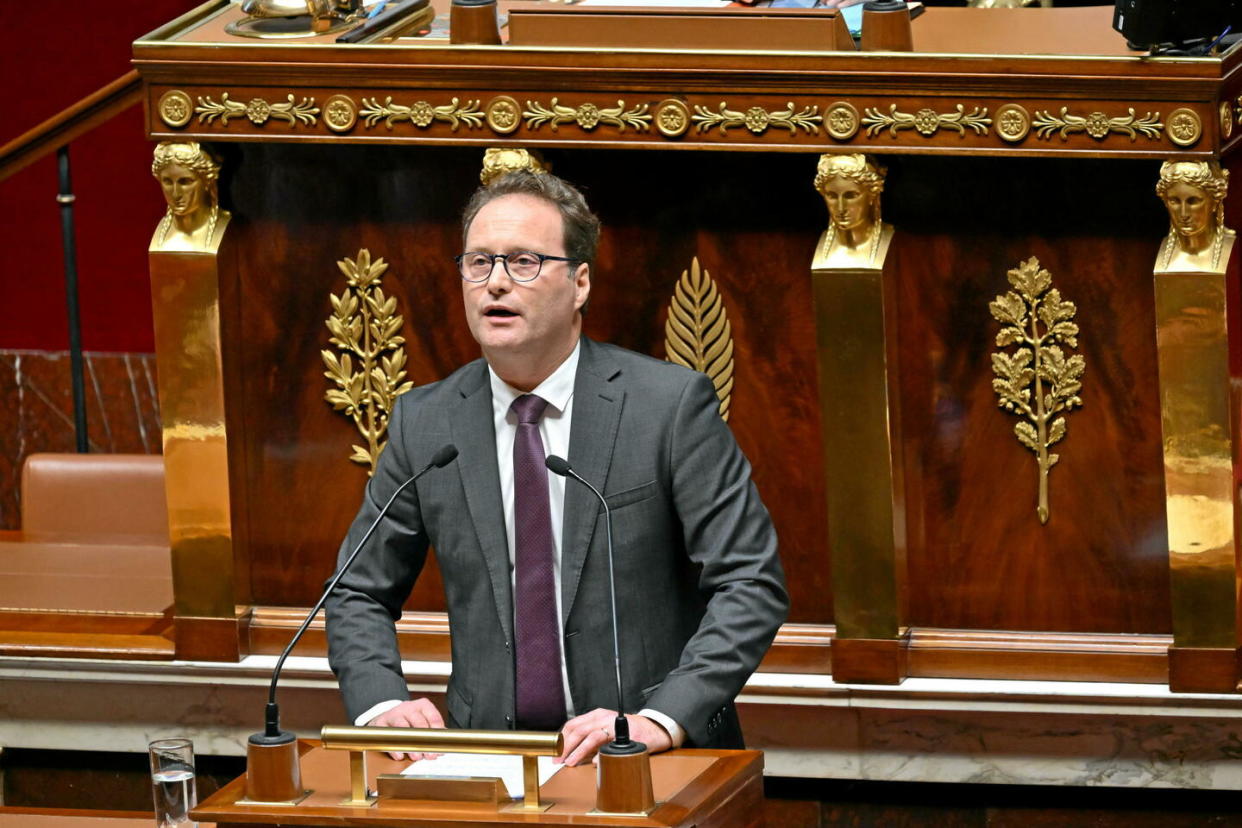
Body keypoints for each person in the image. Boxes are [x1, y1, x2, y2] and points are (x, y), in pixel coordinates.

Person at [325, 168, 788, 767]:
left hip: (644, 757)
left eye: (522, 262)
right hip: (487, 756)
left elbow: (750, 583)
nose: (495, 284)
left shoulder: (668, 408)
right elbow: (357, 590)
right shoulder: (428, 421)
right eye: (478, 263)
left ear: (580, 283)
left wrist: (660, 718)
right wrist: (380, 703)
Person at [813, 152, 893, 269]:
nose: (841, 208)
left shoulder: (896, 245)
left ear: (872, 194)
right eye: (832, 196)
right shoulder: (811, 247)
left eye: (850, 196)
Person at [1155, 160, 1236, 274]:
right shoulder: (1164, 257)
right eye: (1175, 201)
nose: (1183, 214)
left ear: (1214, 202)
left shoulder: (1231, 250)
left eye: (1193, 201)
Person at [150, 141, 228, 252]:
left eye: (185, 182)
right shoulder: (161, 235)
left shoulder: (224, 227)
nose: (176, 193)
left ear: (207, 182)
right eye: (167, 182)